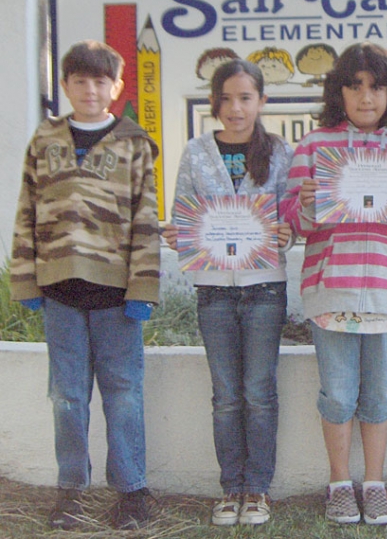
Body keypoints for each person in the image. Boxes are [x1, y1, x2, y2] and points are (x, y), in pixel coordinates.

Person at [280, 43, 387, 526]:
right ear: (338, 91)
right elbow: (293, 223)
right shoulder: (313, 146)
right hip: (332, 291)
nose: (366, 97)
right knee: (340, 394)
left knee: (379, 395)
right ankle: (339, 484)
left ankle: (374, 483)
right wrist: (305, 202)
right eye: (355, 86)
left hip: (386, 288)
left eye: (377, 86)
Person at [10, 40, 160, 530]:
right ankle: (70, 490)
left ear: (116, 87)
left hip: (116, 295)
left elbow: (145, 219)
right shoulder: (44, 139)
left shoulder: (134, 142)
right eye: (80, 80)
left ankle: (132, 491)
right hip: (59, 292)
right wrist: (26, 278)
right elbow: (25, 212)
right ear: (66, 85)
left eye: (101, 81)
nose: (90, 90)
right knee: (67, 396)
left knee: (123, 393)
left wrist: (143, 288)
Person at [161, 59, 293, 526]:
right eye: (226, 98)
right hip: (214, 290)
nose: (235, 108)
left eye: (245, 97)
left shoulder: (280, 152)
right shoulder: (196, 152)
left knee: (258, 392)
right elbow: (181, 213)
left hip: (264, 288)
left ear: (261, 101)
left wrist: (285, 234)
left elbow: (291, 216)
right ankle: (230, 487)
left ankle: (257, 489)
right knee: (225, 395)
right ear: (213, 101)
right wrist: (179, 233)